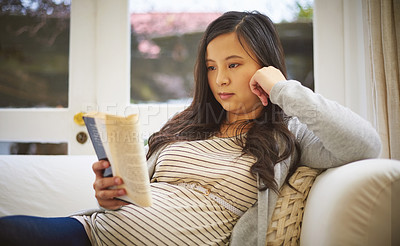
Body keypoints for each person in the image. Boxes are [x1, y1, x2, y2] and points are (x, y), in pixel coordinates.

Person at [0, 11, 381, 246]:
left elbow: (364, 144)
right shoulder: (188, 125)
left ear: (264, 66)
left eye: (234, 64)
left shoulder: (288, 135)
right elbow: (142, 198)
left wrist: (282, 88)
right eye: (212, 67)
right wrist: (111, 193)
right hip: (94, 234)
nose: (220, 79)